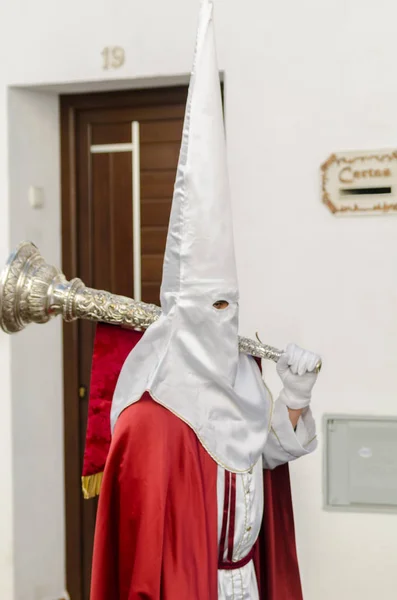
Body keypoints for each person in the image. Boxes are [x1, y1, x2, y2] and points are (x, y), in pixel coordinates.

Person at [87, 1, 321, 598]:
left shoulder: (241, 387)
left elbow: (267, 454)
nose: (225, 324)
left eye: (230, 308)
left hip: (245, 583)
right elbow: (139, 568)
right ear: (181, 318)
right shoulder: (146, 425)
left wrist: (293, 397)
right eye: (212, 309)